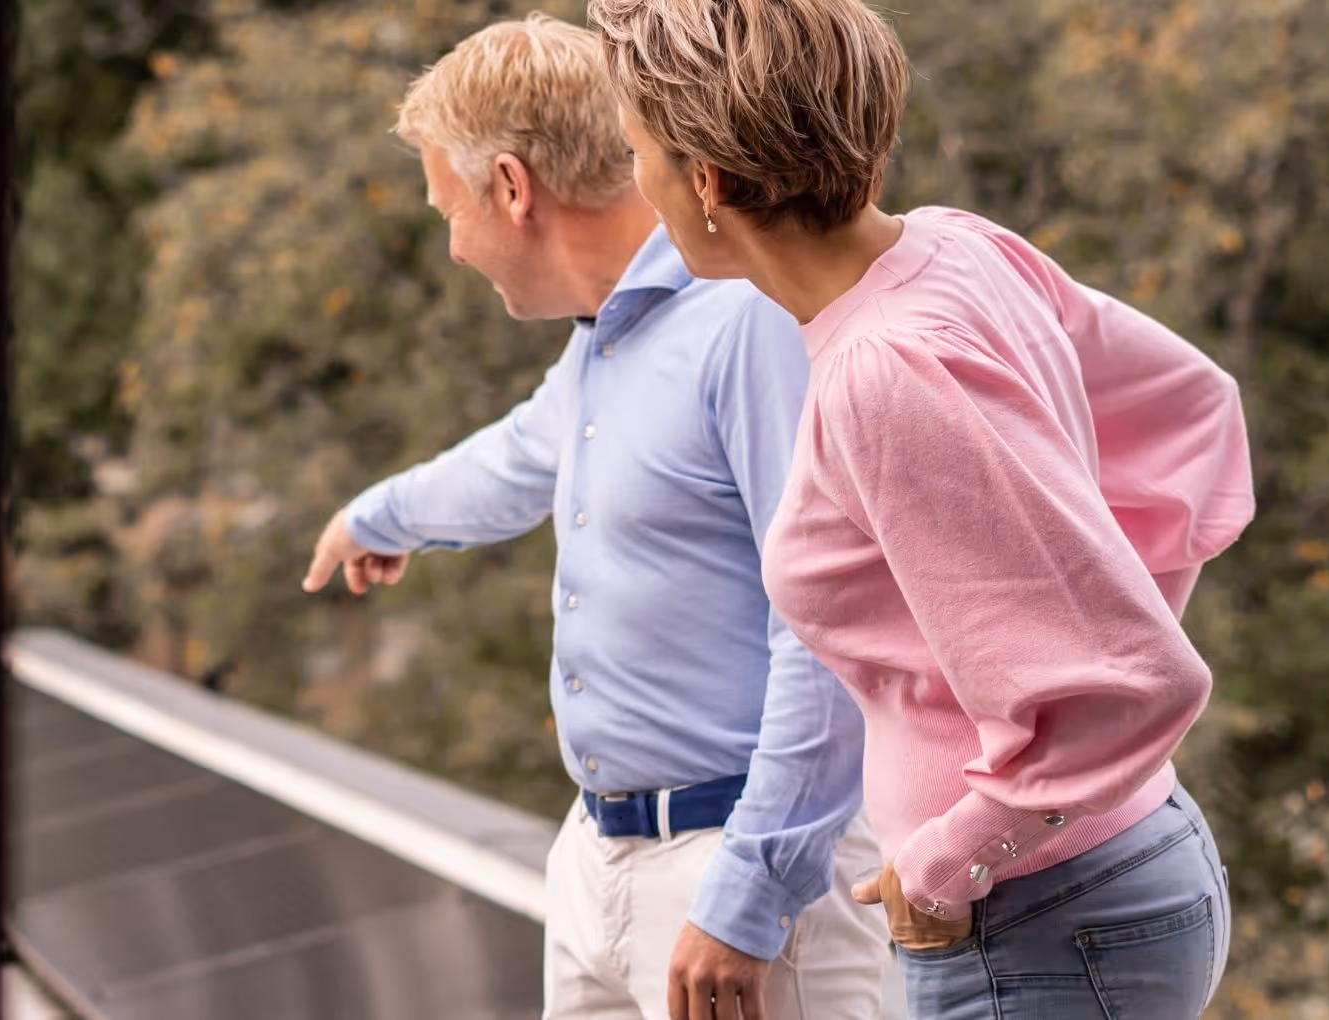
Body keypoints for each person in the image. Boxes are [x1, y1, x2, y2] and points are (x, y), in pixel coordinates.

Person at [589, 0, 1257, 1016]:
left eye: (638, 154)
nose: (638, 184)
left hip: (1033, 921)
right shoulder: (958, 248)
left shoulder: (886, 368)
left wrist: (952, 859)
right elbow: (1192, 414)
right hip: (1109, 875)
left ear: (709, 181)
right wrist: (1109, 605)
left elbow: (1130, 684)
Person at [298, 15, 900, 1020]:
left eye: (449, 210)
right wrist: (379, 518)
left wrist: (749, 895)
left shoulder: (745, 320)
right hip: (598, 858)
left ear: (511, 186)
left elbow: (830, 627)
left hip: (738, 873)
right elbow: (519, 457)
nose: (454, 248)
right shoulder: (608, 339)